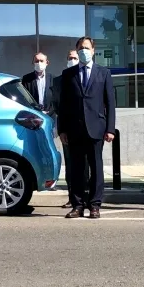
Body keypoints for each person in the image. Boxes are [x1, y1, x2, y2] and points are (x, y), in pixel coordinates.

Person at [58, 36, 116, 219]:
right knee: (76, 169)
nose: (84, 51)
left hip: (96, 128)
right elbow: (63, 105)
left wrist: (110, 129)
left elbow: (110, 102)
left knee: (96, 169)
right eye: (81, 48)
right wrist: (62, 130)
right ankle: (77, 204)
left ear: (93, 51)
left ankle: (95, 205)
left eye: (87, 47)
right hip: (74, 129)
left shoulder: (103, 73)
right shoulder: (68, 75)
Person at [55, 50, 82, 208]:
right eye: (69, 57)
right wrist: (61, 129)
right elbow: (60, 105)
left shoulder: (88, 77)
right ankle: (72, 197)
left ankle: (85, 197)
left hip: (86, 129)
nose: (72, 60)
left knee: (87, 167)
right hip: (69, 129)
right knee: (70, 165)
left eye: (74, 58)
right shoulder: (61, 79)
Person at [21, 52, 55, 117]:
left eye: (41, 61)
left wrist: (49, 112)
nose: (39, 63)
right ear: (33, 63)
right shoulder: (26, 79)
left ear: (47, 62)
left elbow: (56, 99)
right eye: (36, 61)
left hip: (50, 116)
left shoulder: (53, 78)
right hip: (33, 117)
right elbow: (24, 98)